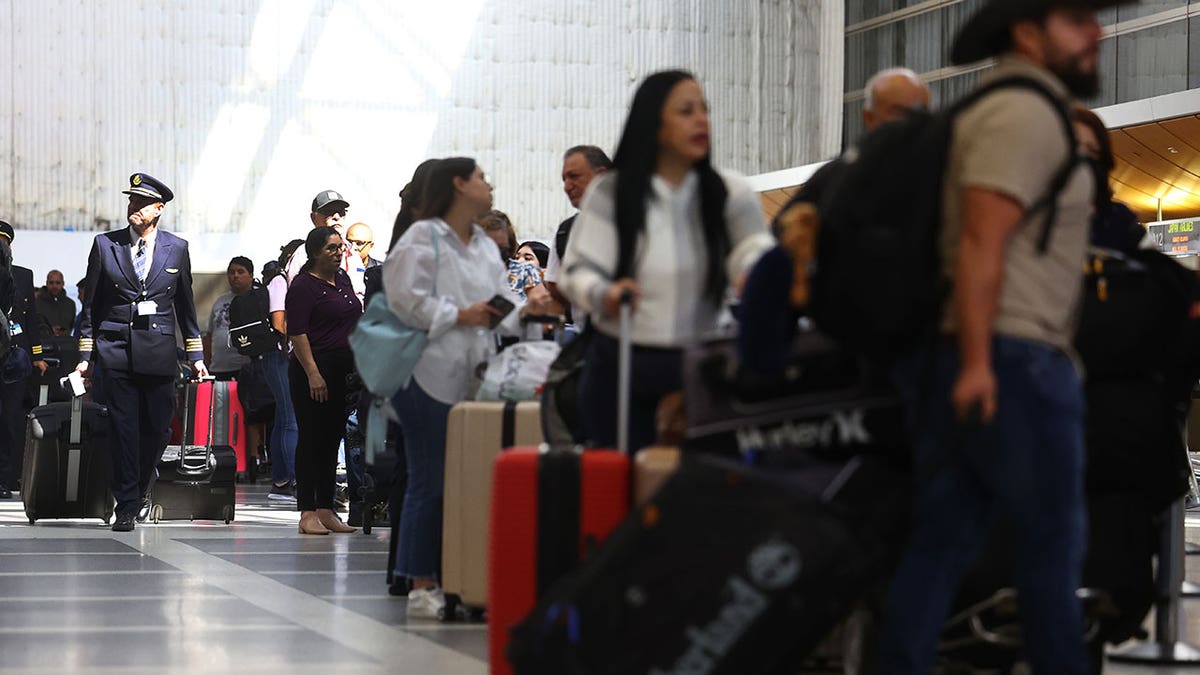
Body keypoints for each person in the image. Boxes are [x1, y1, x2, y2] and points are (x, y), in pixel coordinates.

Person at [872, 2, 1125, 672]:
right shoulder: (1023, 114)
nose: (1096, 32)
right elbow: (981, 241)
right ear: (1027, 33)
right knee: (1051, 553)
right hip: (1013, 356)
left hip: (977, 353)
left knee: (942, 544)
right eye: (1077, 19)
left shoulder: (997, 108)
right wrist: (980, 362)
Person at [560, 70, 772, 453]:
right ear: (654, 123)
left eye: (704, 109)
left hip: (704, 364)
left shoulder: (731, 191)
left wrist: (756, 272)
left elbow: (752, 247)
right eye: (686, 111)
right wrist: (604, 293)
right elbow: (578, 270)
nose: (701, 120)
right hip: (622, 365)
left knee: (705, 479)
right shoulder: (611, 193)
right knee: (627, 479)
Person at [383, 157, 542, 618]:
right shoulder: (422, 238)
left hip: (470, 375)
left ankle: (458, 575)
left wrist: (528, 310)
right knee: (429, 479)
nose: (489, 186)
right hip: (423, 374)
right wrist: (460, 315)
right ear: (458, 185)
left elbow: (500, 302)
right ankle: (420, 584)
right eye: (481, 179)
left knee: (463, 479)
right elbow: (404, 303)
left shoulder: (482, 247)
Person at [76, 173, 207, 532]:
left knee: (158, 429)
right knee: (123, 429)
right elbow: (92, 306)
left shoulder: (176, 247)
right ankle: (127, 503)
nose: (133, 206)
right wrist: (86, 355)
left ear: (159, 209)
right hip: (115, 349)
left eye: (142, 202)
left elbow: (186, 306)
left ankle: (141, 485)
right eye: (131, 200)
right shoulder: (106, 245)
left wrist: (195, 355)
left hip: (160, 353)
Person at [286, 226, 362, 535]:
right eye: (331, 248)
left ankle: (326, 508)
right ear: (315, 252)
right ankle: (307, 511)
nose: (338, 253)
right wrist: (313, 373)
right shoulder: (304, 285)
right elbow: (297, 332)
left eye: (340, 247)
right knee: (311, 440)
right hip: (313, 370)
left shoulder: (342, 280)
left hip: (342, 370)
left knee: (332, 440)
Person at [0, 222, 47, 499]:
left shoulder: (23, 275)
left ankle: (8, 477)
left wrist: (37, 355)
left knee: (11, 418)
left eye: (3, 241)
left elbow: (30, 320)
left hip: (14, 357)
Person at [545, 146, 612, 311]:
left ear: (601, 176)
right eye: (564, 180)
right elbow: (555, 288)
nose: (567, 187)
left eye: (574, 177)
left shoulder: (640, 224)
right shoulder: (566, 231)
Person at [262, 242, 303, 502]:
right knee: (291, 419)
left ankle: (280, 480)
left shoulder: (284, 281)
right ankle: (293, 480)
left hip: (279, 356)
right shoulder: (279, 281)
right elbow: (278, 322)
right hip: (278, 355)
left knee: (282, 418)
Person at [285, 190, 367, 299]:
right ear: (313, 218)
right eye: (329, 212)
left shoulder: (352, 252)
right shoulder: (302, 255)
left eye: (341, 212)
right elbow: (295, 298)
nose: (336, 217)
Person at [206, 257, 253, 380]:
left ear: (251, 276)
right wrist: (206, 363)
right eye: (232, 272)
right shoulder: (219, 301)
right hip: (218, 369)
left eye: (240, 272)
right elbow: (209, 335)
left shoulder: (257, 299)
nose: (235, 276)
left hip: (248, 369)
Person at [35, 270, 76, 338]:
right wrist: (48, 331)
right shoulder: (36, 303)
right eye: (51, 283)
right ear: (47, 283)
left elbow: (71, 326)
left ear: (63, 283)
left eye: (57, 283)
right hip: (43, 342)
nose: (54, 286)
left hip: (65, 342)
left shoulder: (70, 304)